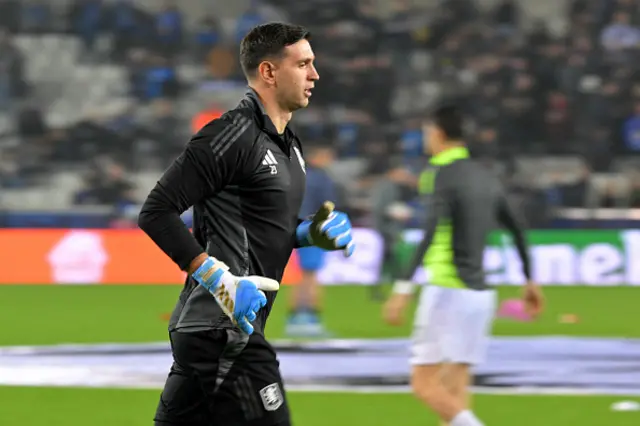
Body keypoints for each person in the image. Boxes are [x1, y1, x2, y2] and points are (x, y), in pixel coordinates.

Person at [138, 22, 355, 426]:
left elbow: (259, 230)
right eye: (303, 64)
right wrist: (219, 281)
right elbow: (157, 211)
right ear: (269, 72)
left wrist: (307, 233)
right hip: (222, 329)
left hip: (213, 330)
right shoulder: (230, 134)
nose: (315, 75)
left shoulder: (290, 145)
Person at [382, 105, 544, 426]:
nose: (426, 138)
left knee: (424, 383)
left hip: (447, 290)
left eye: (428, 131)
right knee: (455, 389)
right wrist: (529, 280)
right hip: (480, 296)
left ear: (439, 133)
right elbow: (517, 228)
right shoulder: (486, 174)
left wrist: (402, 288)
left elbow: (429, 232)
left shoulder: (439, 173)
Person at [286, 144, 338, 337]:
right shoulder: (321, 177)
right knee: (311, 275)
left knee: (301, 275)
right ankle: (312, 318)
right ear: (320, 155)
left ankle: (294, 317)